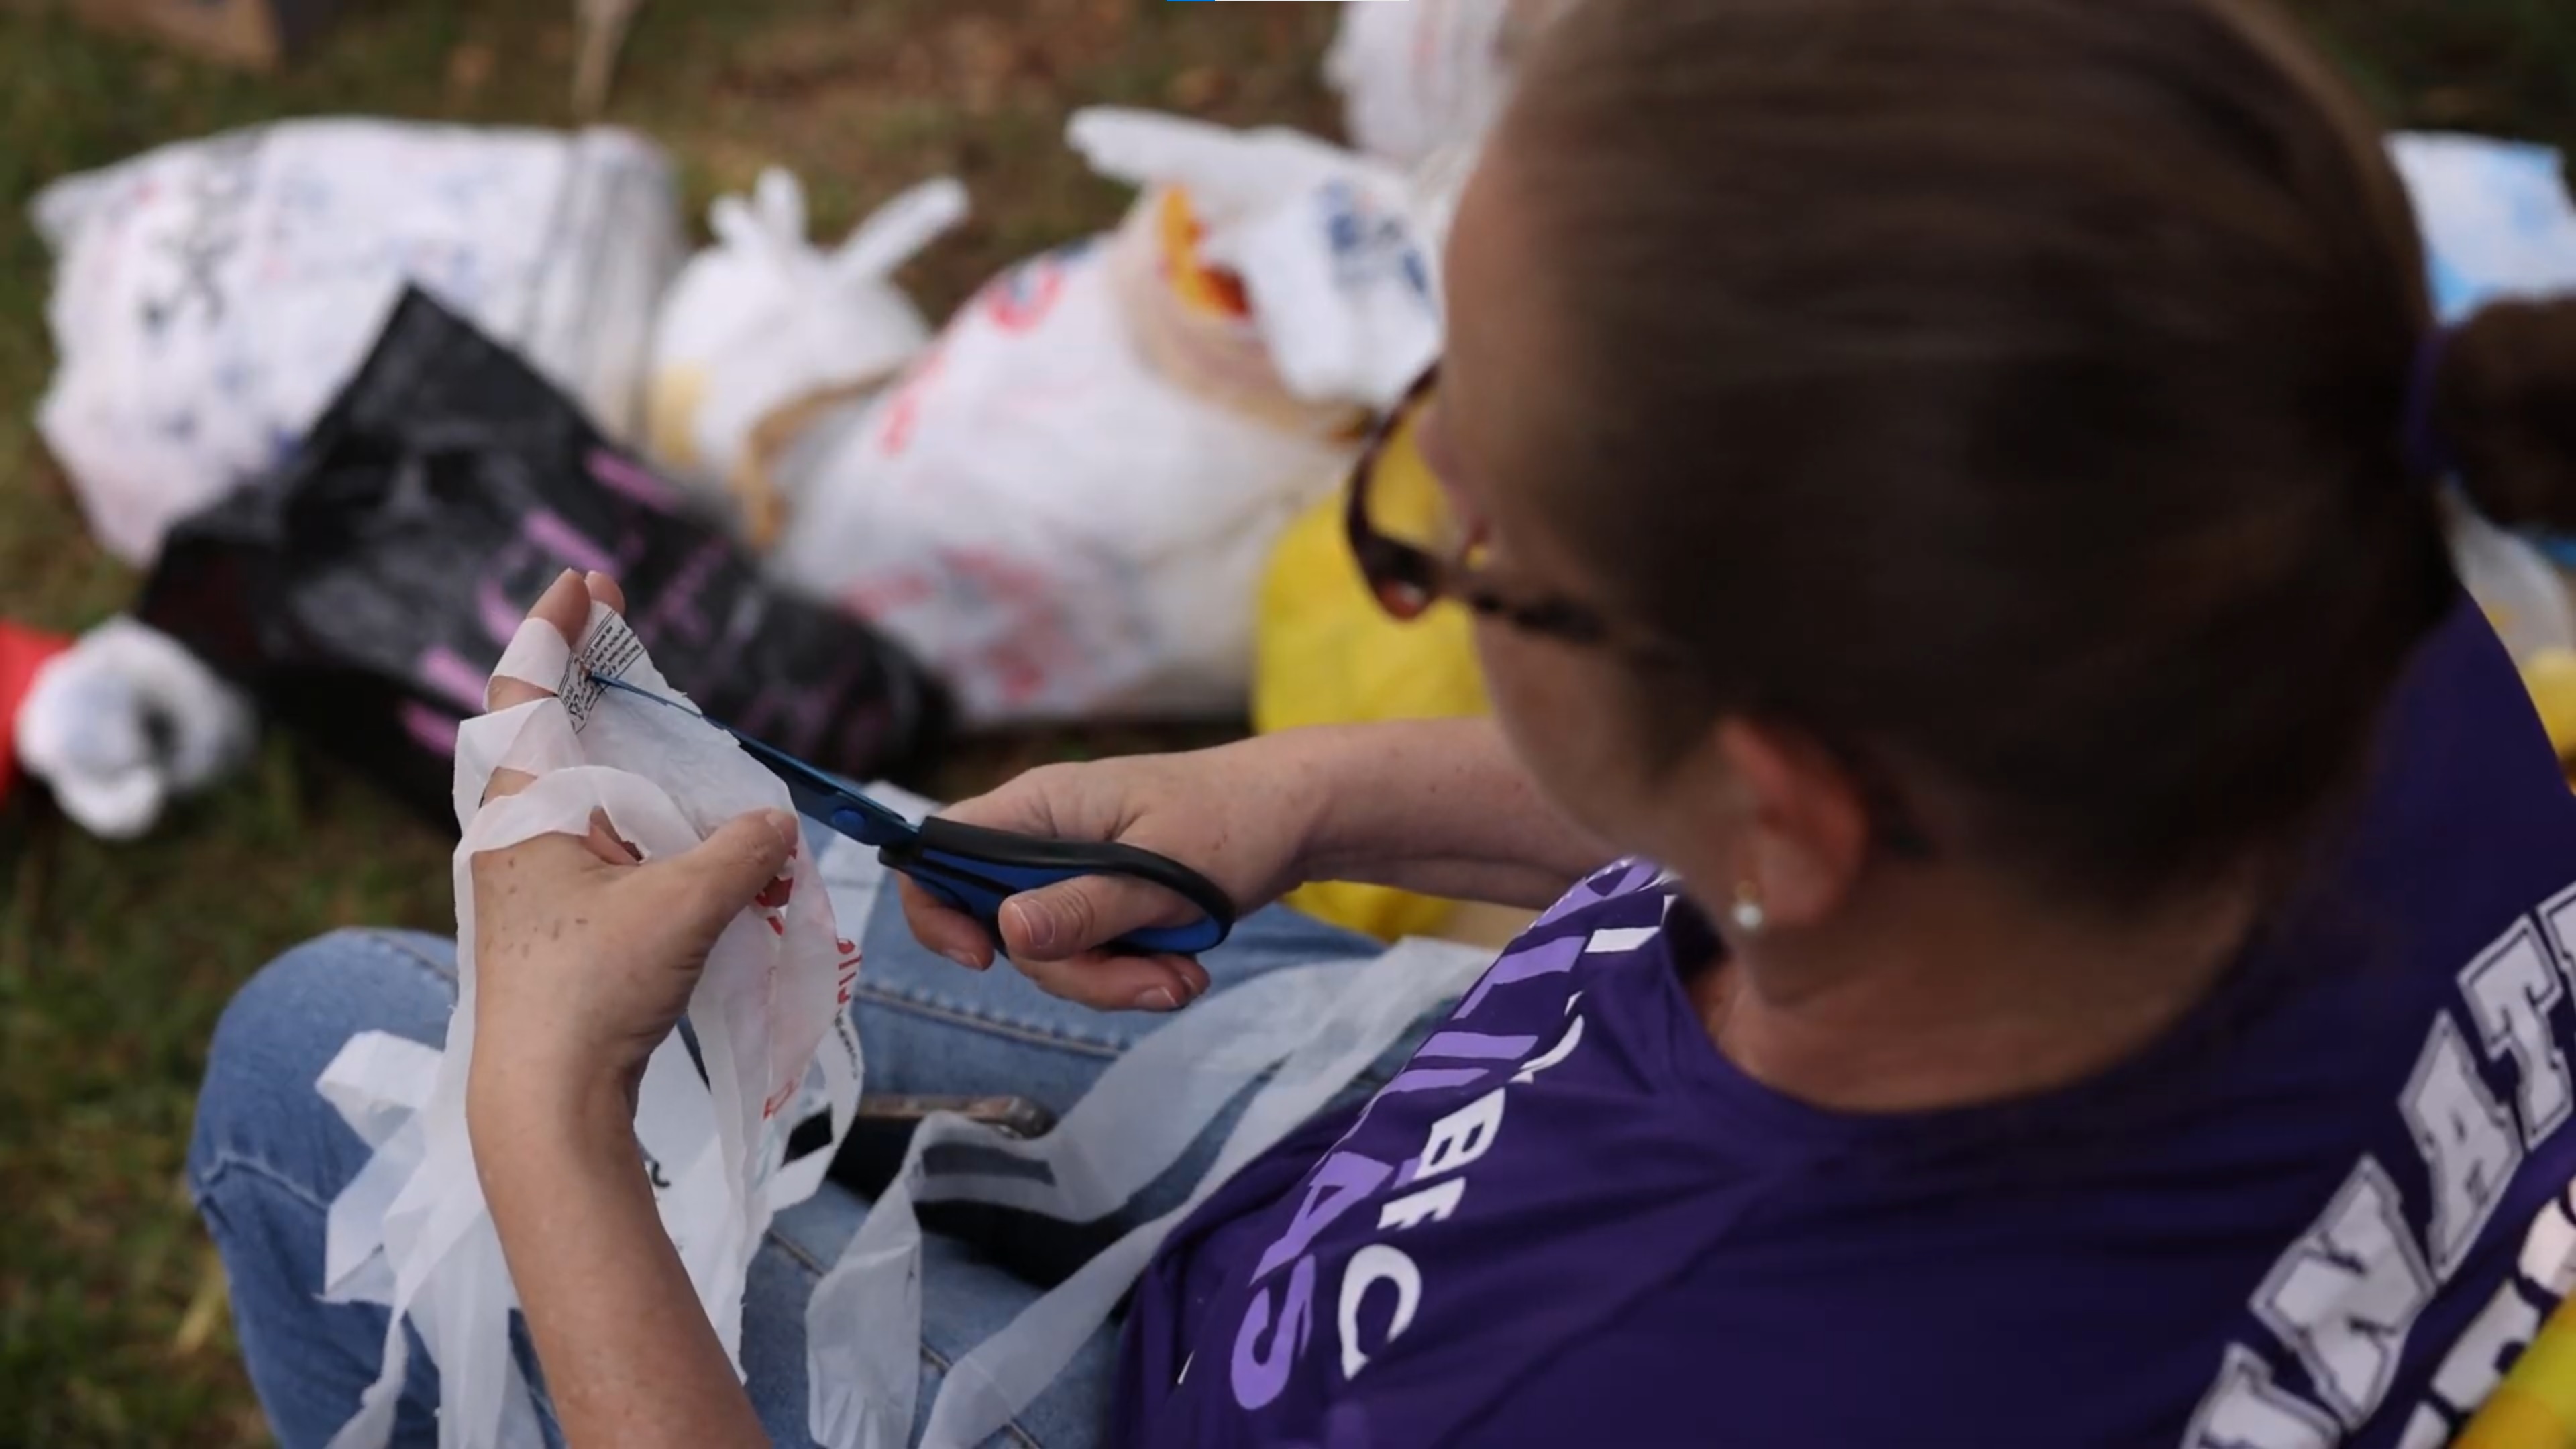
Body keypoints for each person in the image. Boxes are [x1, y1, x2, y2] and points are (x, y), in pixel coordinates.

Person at [190, 0, 2576, 1443]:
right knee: (817, 891)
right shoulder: (2309, 584)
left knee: (329, 1067)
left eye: (1454, 550)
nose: (1402, 553)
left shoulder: (1654, 1394)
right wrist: (1303, 786)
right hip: (1443, 1140)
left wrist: (553, 1158)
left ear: (1788, 796)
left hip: (1324, 1362)